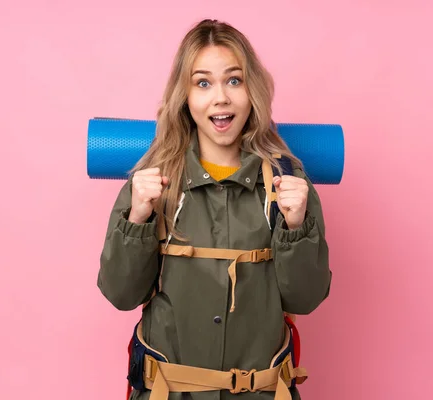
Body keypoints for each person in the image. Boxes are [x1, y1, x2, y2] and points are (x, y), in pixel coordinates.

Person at [97, 18, 332, 400]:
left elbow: (305, 300)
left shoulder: (287, 180)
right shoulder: (152, 180)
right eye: (203, 82)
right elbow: (121, 295)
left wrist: (296, 227)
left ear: (251, 90)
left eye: (234, 80)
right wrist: (137, 219)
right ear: (185, 97)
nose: (220, 97)